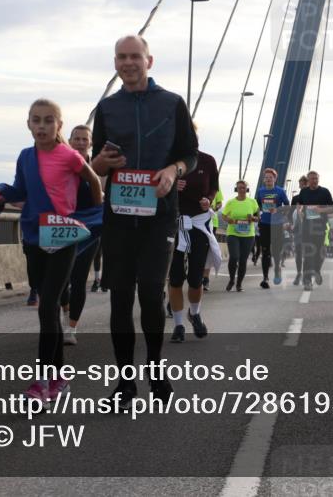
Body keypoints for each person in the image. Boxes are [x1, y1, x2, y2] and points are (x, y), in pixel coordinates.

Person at [90, 35, 197, 408]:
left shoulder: (172, 103)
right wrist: (103, 164)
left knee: (151, 294)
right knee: (119, 300)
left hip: (159, 216)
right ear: (115, 62)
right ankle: (124, 383)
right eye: (121, 57)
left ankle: (155, 368)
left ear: (149, 61)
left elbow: (190, 155)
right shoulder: (106, 108)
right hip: (118, 217)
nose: (128, 63)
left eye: (135, 56)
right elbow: (96, 162)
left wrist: (172, 169)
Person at [0, 99, 103, 402]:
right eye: (36, 120)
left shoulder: (69, 156)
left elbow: (94, 182)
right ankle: (59, 377)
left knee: (47, 304)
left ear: (59, 125)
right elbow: (21, 191)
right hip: (33, 236)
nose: (42, 126)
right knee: (49, 308)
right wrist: (1, 193)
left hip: (63, 237)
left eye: (48, 120)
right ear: (28, 123)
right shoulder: (26, 156)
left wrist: (87, 215)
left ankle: (41, 382)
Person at [168, 137, 219, 343]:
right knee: (176, 277)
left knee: (196, 278)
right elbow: (154, 187)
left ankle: (195, 313)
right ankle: (178, 325)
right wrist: (171, 186)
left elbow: (213, 187)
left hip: (198, 223)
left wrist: (209, 199)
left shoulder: (207, 161)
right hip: (174, 223)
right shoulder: (169, 161)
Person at [62, 124, 103, 345]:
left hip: (89, 231)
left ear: (91, 143)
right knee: (60, 281)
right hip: (62, 228)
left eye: (84, 139)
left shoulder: (98, 167)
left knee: (78, 279)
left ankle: (71, 328)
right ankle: (65, 311)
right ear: (69, 141)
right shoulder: (62, 164)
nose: (79, 142)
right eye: (76, 139)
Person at [293, 171, 333, 291]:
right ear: (308, 180)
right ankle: (307, 281)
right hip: (307, 227)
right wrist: (299, 211)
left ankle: (317, 270)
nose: (314, 181)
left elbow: (332, 208)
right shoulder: (304, 191)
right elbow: (299, 204)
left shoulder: (324, 192)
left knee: (320, 254)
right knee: (308, 254)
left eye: (316, 178)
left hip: (320, 227)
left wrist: (320, 210)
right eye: (312, 179)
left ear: (318, 179)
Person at [221, 180, 260, 290]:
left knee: (243, 260)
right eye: (239, 188)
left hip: (248, 235)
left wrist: (252, 218)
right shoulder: (230, 202)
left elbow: (258, 218)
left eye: (244, 188)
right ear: (236, 189)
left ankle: (239, 284)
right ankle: (232, 279)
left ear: (247, 189)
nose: (242, 190)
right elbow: (224, 216)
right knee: (234, 257)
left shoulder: (253, 202)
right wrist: (229, 219)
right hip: (233, 233)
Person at [254, 168, 289, 287]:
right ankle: (265, 278)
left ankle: (277, 270)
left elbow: (287, 206)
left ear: (275, 179)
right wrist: (257, 214)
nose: (268, 179)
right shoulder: (260, 191)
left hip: (277, 225)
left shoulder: (280, 191)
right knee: (265, 251)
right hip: (264, 224)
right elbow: (257, 205)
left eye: (271, 177)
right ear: (264, 180)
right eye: (266, 177)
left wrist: (278, 209)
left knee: (276, 252)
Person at [202, 188, 224, 291]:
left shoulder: (215, 187)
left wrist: (214, 208)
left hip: (212, 222)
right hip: (195, 220)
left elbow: (220, 203)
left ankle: (205, 278)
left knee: (208, 251)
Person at [289, 175, 308, 285]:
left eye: (305, 184)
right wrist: (290, 224)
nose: (303, 186)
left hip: (309, 230)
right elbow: (290, 213)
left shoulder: (312, 198)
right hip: (297, 230)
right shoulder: (296, 198)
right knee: (299, 253)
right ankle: (298, 274)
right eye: (302, 185)